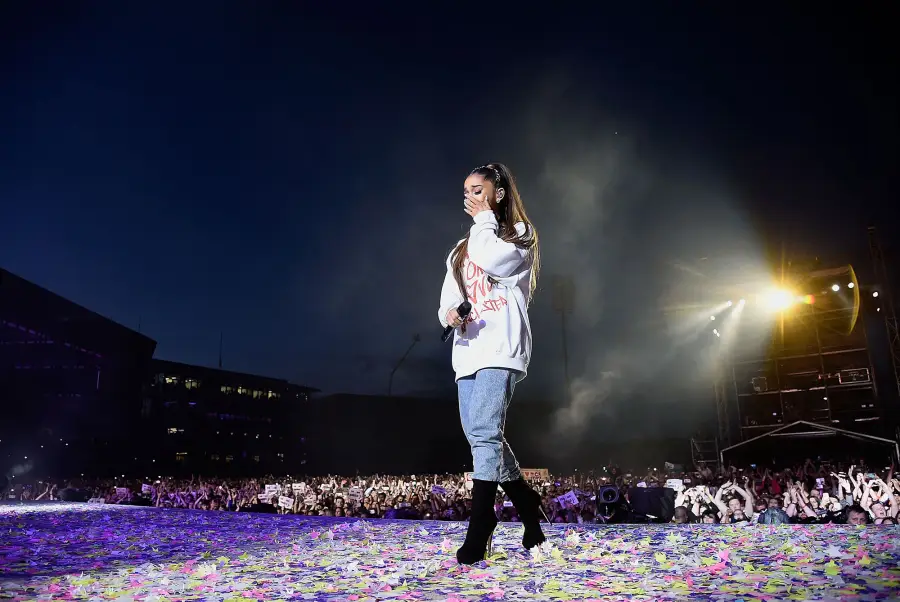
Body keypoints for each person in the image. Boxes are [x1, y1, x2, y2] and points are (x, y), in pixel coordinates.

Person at [437, 162, 543, 564]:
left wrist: (483, 219)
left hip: (501, 345)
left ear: (498, 193)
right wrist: (450, 315)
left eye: (478, 189)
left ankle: (481, 522)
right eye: (466, 190)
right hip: (468, 350)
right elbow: (446, 298)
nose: (470, 196)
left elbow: (495, 262)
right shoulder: (459, 250)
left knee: (483, 430)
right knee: (482, 435)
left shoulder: (518, 234)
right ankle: (525, 501)